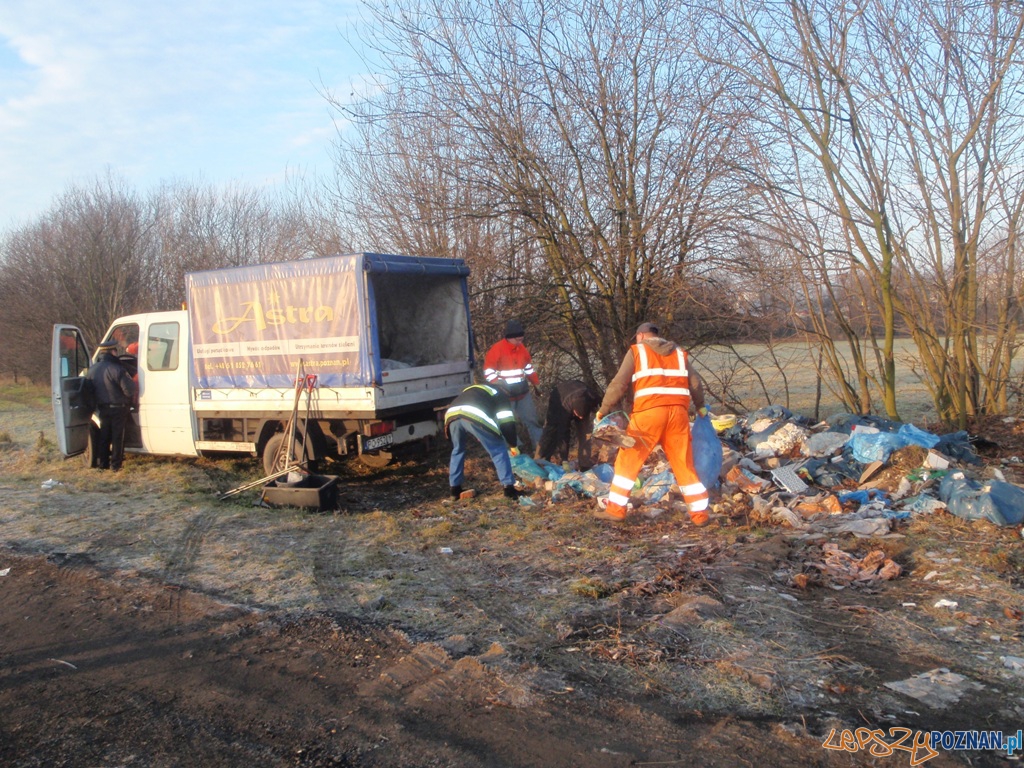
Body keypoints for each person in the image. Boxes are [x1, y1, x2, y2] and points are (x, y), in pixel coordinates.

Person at [594, 322, 710, 526]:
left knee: (629, 460)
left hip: (649, 414)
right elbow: (695, 383)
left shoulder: (637, 351)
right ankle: (700, 514)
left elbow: (619, 383)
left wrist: (604, 409)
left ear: (640, 336)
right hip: (678, 415)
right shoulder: (679, 353)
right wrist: (700, 405)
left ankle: (616, 510)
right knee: (683, 462)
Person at [444, 384, 523, 500]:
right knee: (498, 449)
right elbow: (507, 423)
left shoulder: (479, 389)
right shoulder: (500, 395)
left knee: (457, 450)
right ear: (507, 392)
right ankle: (509, 489)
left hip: (451, 415)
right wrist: (513, 444)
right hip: (473, 413)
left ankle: (455, 490)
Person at [483, 319, 543, 451]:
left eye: (521, 339)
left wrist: (536, 384)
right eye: (517, 340)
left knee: (532, 420)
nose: (520, 342)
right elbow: (488, 372)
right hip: (505, 395)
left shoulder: (522, 349)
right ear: (509, 338)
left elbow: (529, 369)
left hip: (522, 393)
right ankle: (516, 449)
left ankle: (540, 448)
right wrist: (499, 384)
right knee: (507, 424)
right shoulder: (496, 350)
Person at [85, 338, 136, 471]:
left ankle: (103, 464)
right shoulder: (117, 369)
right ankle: (115, 465)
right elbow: (129, 390)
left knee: (104, 436)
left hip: (102, 408)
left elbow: (89, 391)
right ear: (113, 352)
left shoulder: (92, 370)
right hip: (119, 409)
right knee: (118, 437)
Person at [535, 380, 601, 471]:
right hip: (558, 401)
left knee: (586, 434)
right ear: (574, 411)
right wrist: (564, 459)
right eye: (578, 415)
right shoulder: (563, 410)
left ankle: (584, 464)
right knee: (550, 431)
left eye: (582, 416)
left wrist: (601, 415)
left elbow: (602, 403)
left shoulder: (592, 398)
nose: (580, 418)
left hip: (580, 393)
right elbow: (563, 434)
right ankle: (539, 462)